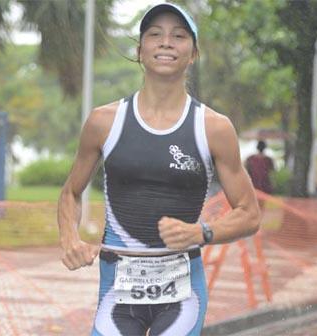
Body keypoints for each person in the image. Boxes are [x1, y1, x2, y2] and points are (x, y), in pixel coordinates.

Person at [57, 3, 260, 335]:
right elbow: (71, 193)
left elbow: (249, 213)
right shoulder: (104, 122)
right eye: (155, 35)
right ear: (140, 50)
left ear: (193, 53)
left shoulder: (213, 128)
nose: (166, 42)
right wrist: (70, 239)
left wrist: (202, 233)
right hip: (118, 290)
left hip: (182, 292)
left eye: (179, 36)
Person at [245, 140, 275, 207]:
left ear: (257, 147)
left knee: (253, 204)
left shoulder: (250, 158)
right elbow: (272, 173)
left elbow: (246, 172)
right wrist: (272, 185)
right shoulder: (268, 159)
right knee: (263, 204)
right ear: (265, 148)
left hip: (253, 184)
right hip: (265, 185)